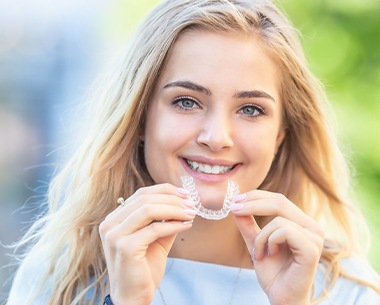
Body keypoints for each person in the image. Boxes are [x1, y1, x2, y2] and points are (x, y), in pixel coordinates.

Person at [6, 0, 380, 304]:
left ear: (280, 136)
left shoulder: (348, 292)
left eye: (251, 109)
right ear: (139, 120)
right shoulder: (59, 279)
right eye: (186, 102)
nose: (216, 137)